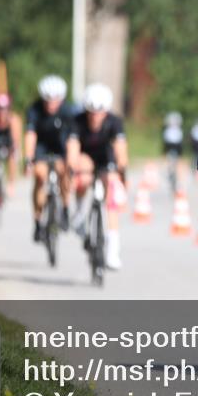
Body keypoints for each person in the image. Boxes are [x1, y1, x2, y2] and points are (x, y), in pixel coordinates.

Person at [67, 83, 129, 269]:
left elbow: (121, 151)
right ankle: (78, 213)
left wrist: (121, 174)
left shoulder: (114, 122)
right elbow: (72, 150)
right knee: (84, 175)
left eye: (99, 112)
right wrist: (72, 171)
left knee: (111, 192)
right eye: (91, 112)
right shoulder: (77, 122)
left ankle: (112, 250)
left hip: (105, 157)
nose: (95, 117)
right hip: (85, 156)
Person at [24, 75, 72, 242]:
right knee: (39, 176)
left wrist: (71, 161)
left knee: (65, 172)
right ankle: (37, 221)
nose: (51, 104)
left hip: (61, 146)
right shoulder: (34, 110)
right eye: (47, 100)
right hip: (41, 147)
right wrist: (28, 159)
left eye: (55, 100)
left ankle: (65, 208)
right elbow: (30, 135)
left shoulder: (68, 111)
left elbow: (73, 139)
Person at [162, 111, 184, 191]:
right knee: (173, 162)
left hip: (174, 147)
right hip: (172, 147)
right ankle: (173, 173)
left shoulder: (171, 131)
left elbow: (165, 143)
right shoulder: (172, 131)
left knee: (176, 163)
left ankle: (177, 177)